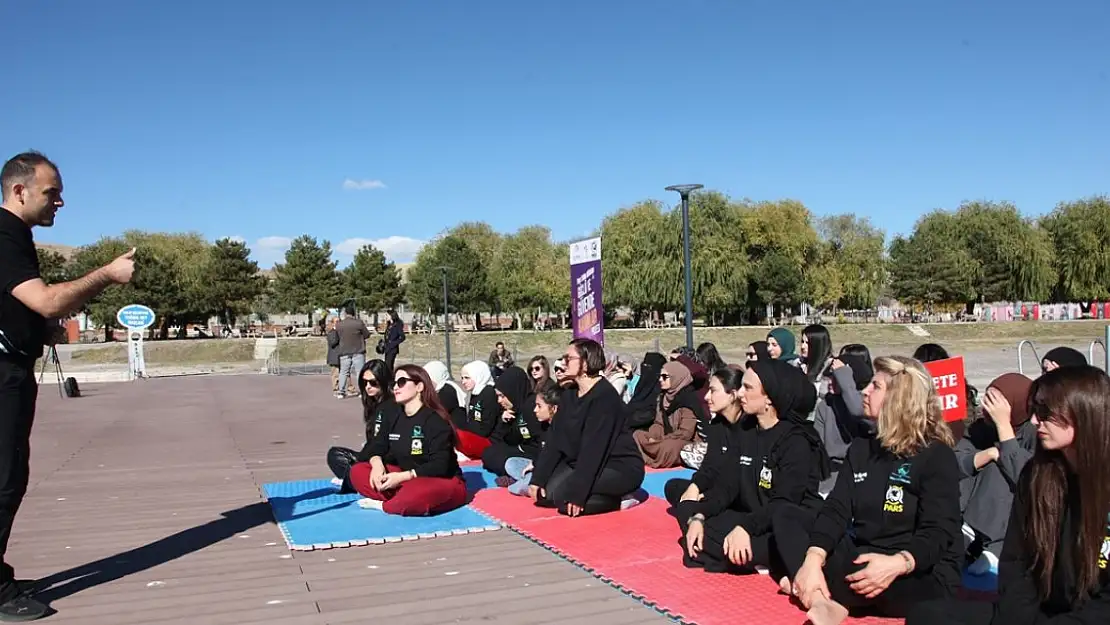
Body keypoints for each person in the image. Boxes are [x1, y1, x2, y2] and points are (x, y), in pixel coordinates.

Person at [0, 152, 136, 620]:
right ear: (20, 191)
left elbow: (20, 307)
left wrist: (39, 332)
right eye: (51, 192)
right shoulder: (5, 234)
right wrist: (107, 275)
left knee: (8, 477)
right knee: (4, 480)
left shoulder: (15, 236)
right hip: (3, 376)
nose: (60, 201)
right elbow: (45, 298)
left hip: (13, 367)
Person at [907, 365, 1110, 625]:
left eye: (1046, 412)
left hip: (1092, 616)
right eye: (1035, 410)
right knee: (925, 616)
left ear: (1084, 413)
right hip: (1039, 611)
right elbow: (1016, 563)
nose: (1036, 420)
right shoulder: (1038, 475)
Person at [789, 356, 962, 625]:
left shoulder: (935, 455)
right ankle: (821, 599)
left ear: (900, 398)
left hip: (914, 568)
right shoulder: (861, 448)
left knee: (921, 603)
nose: (865, 392)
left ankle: (814, 589)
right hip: (866, 554)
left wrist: (897, 564)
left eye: (875, 386)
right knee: (792, 521)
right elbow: (837, 508)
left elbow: (939, 532)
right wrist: (814, 558)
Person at [670, 362, 824, 586]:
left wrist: (744, 528)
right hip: (752, 516)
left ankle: (771, 559)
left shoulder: (795, 441)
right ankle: (754, 559)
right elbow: (727, 487)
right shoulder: (747, 431)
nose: (740, 394)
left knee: (730, 543)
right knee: (692, 518)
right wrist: (699, 515)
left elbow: (783, 503)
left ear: (769, 398)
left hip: (784, 525)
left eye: (748, 388)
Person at [529, 339, 645, 517]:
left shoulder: (604, 397)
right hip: (582, 463)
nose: (562, 362)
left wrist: (578, 494)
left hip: (618, 466)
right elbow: (554, 439)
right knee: (548, 495)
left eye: (569, 358)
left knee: (565, 499)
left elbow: (594, 449)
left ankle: (622, 498)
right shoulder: (569, 395)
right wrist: (539, 477)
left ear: (585, 361)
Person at [347, 365, 467, 516]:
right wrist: (377, 465)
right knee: (358, 471)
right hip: (405, 478)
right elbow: (377, 445)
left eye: (402, 382)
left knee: (416, 493)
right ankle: (399, 499)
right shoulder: (394, 415)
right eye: (394, 383)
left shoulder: (435, 420)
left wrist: (404, 476)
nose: (396, 387)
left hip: (440, 480)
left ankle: (388, 504)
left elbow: (440, 465)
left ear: (419, 386)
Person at [953, 373, 1035, 576]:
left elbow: (1026, 477)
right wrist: (987, 454)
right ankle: (966, 531)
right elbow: (956, 462)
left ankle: (993, 550)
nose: (986, 407)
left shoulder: (1034, 433)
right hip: (968, 510)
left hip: (1007, 522)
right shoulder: (980, 427)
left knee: (1002, 464)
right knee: (987, 458)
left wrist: (1004, 428)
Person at [325, 359, 397, 491]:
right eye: (364, 383)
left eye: (373, 383)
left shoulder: (390, 405)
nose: (368, 386)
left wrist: (368, 458)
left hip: (385, 457)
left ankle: (354, 480)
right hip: (374, 454)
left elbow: (380, 443)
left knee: (352, 463)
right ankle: (355, 478)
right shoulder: (373, 404)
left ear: (383, 381)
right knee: (335, 455)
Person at [814, 349, 873, 495]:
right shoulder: (825, 405)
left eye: (836, 378)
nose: (830, 382)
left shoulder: (865, 403)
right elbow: (818, 446)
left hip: (860, 475)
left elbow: (857, 410)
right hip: (829, 477)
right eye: (830, 377)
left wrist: (844, 378)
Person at [633, 361, 706, 469]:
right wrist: (653, 436)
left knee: (669, 447)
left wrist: (662, 440)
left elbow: (685, 433)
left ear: (676, 377)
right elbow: (659, 424)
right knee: (637, 435)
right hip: (666, 437)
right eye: (660, 376)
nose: (660, 380)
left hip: (683, 441)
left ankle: (654, 455)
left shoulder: (688, 400)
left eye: (665, 377)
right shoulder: (663, 397)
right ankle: (654, 453)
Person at [498, 385, 562, 497]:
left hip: (556, 472)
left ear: (554, 408)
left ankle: (524, 483)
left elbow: (555, 460)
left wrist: (538, 471)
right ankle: (527, 480)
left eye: (539, 406)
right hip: (540, 468)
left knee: (519, 487)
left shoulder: (562, 430)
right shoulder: (545, 427)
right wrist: (534, 464)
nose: (535, 410)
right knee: (511, 463)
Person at [480, 366, 542, 480]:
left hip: (537, 455)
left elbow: (541, 441)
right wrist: (504, 423)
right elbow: (508, 440)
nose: (499, 401)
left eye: (502, 396)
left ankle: (528, 477)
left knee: (503, 459)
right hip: (522, 449)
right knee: (489, 453)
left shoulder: (532, 407)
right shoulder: (516, 409)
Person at [456, 361, 500, 459]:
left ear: (478, 376)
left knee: (457, 436)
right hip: (475, 437)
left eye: (467, 378)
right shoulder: (475, 392)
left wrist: (468, 437)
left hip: (488, 441)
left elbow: (486, 427)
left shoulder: (489, 393)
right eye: (462, 378)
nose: (463, 382)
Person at [335, 305, 370, 400]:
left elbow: (337, 337)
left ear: (345, 313)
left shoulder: (339, 325)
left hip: (344, 351)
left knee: (343, 372)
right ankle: (362, 391)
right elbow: (367, 334)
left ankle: (341, 392)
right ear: (354, 313)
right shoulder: (358, 323)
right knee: (360, 372)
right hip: (358, 350)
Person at [626, 352, 666, 431]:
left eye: (649, 366)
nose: (645, 369)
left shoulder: (660, 392)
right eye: (644, 365)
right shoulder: (641, 385)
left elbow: (649, 414)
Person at [422, 361, 467, 426]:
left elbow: (435, 412)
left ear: (436, 377)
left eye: (428, 379)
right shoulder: (438, 389)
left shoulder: (447, 390)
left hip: (455, 431)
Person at [326, 316, 356, 397]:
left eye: (339, 321)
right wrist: (336, 331)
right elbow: (333, 342)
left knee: (347, 373)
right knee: (335, 375)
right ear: (333, 323)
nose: (338, 323)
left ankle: (351, 389)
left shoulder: (342, 331)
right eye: (336, 321)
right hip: (334, 356)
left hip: (343, 355)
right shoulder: (331, 332)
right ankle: (336, 389)